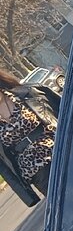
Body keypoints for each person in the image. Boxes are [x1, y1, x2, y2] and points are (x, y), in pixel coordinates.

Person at [0, 68, 59, 203]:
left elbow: (64, 111)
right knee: (70, 206)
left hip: (60, 150)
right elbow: (3, 166)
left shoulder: (27, 93)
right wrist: (26, 195)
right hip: (37, 173)